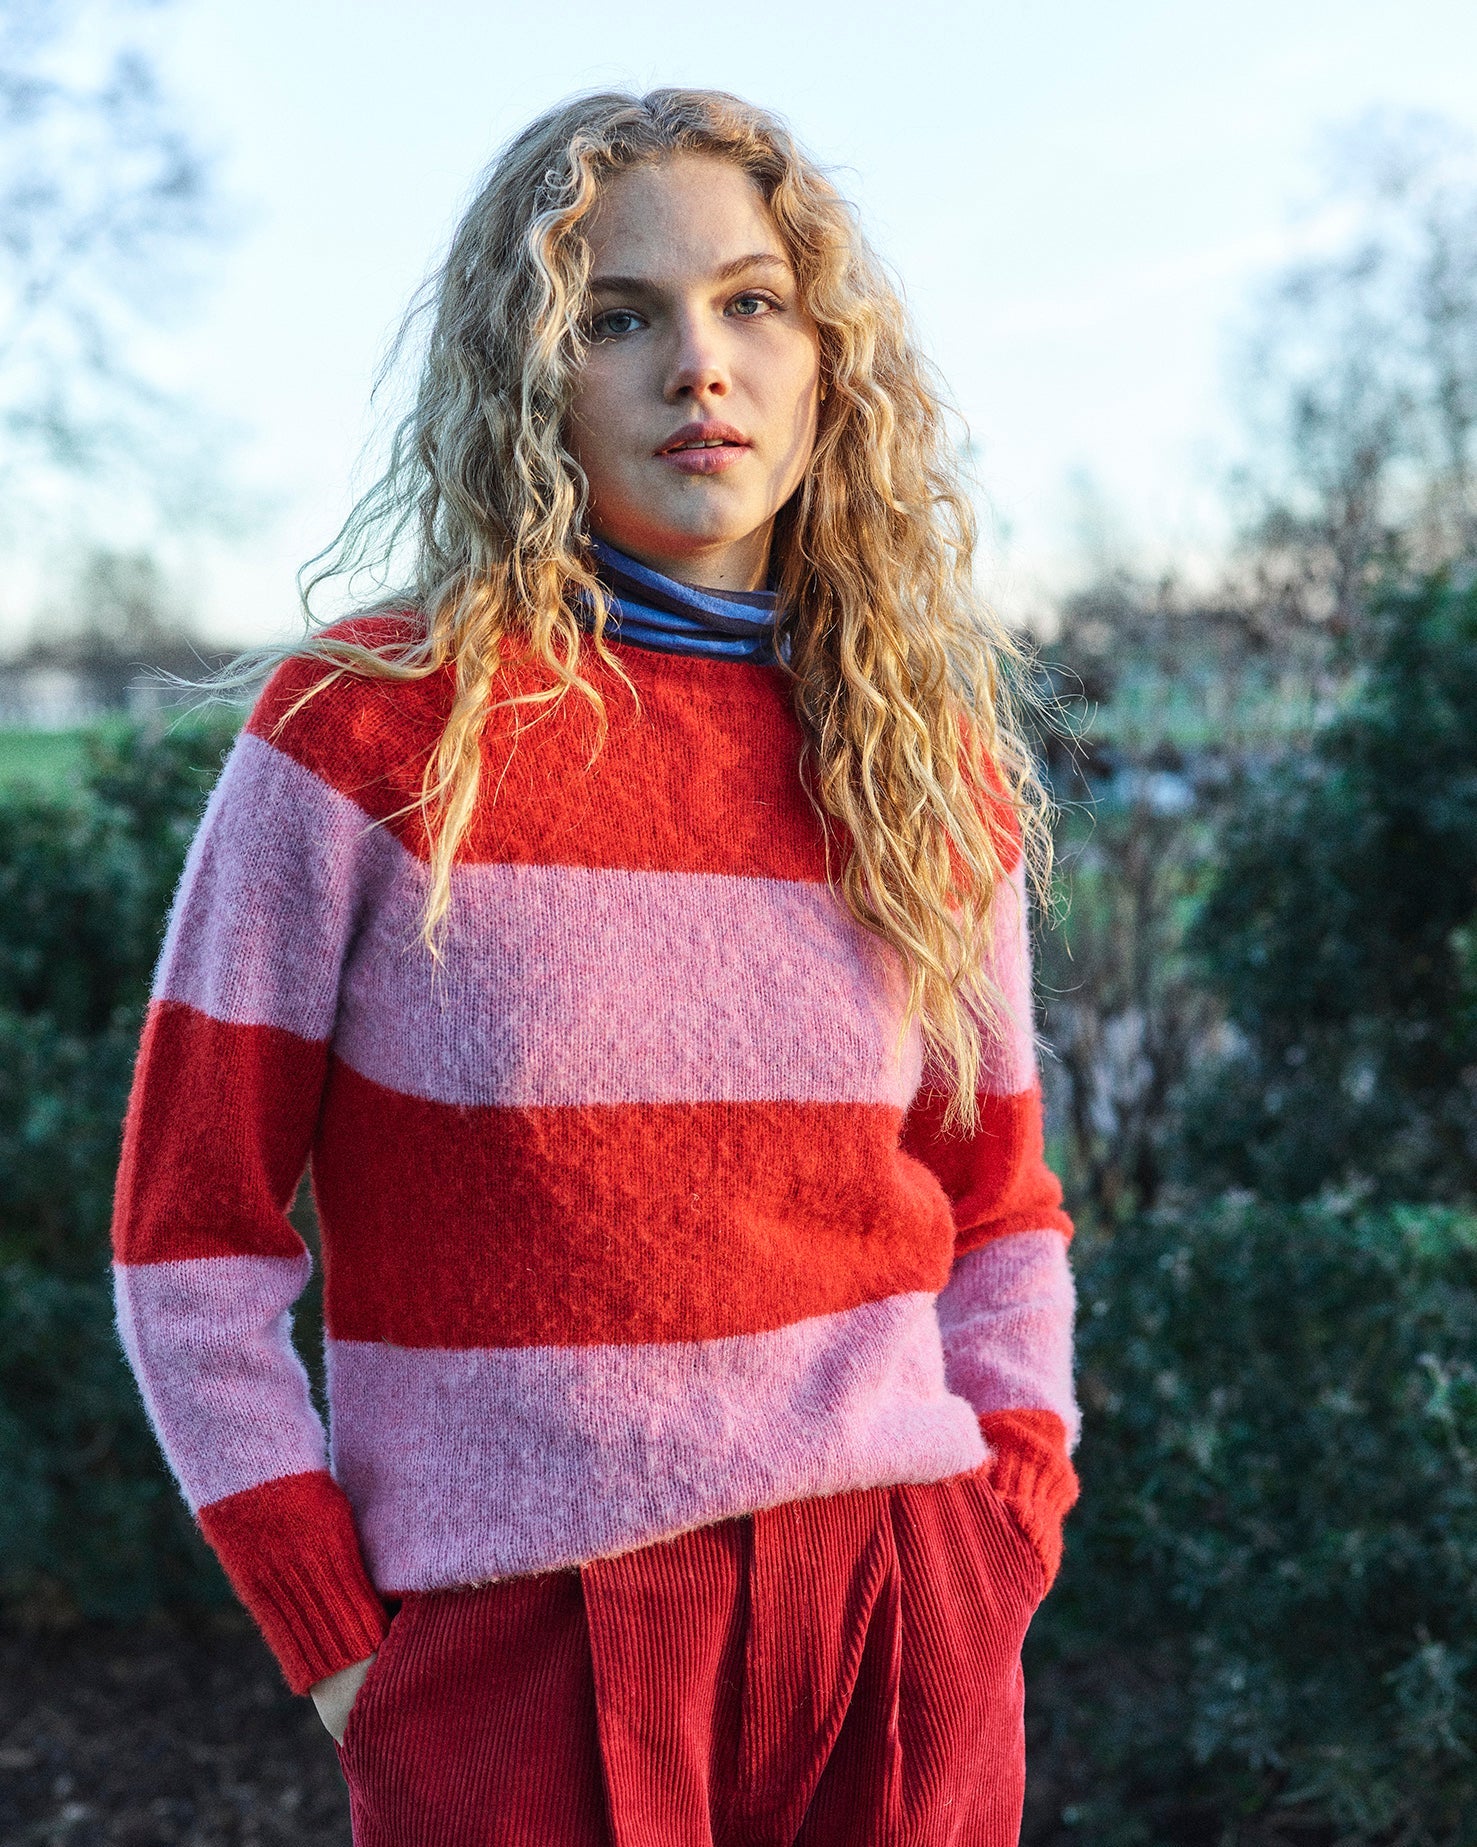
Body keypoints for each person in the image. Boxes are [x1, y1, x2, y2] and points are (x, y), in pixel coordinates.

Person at [110, 87, 1079, 1847]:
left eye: (749, 302)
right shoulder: (366, 728)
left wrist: (1003, 1529)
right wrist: (341, 1648)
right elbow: (190, 1239)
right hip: (512, 1645)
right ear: (530, 374)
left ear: (823, 362)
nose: (693, 363)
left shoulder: (918, 752)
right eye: (615, 316)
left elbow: (997, 1205)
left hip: (895, 1610)